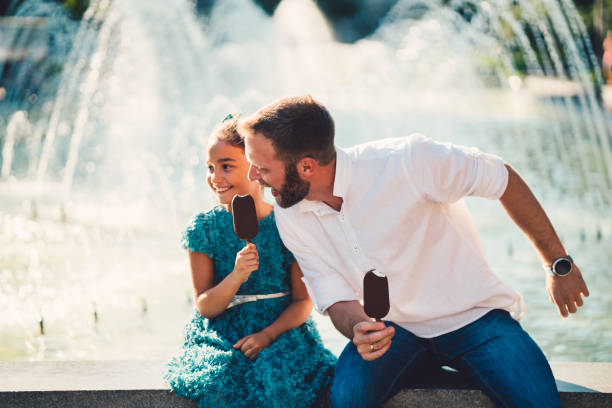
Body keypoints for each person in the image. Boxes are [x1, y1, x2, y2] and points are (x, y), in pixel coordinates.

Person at [239, 95, 590, 408]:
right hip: (394, 331)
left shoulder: (407, 160)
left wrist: (557, 263)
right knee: (346, 397)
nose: (253, 175)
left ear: (306, 167)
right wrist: (360, 328)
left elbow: (502, 179)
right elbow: (332, 293)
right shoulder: (290, 212)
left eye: (263, 167)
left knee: (537, 401)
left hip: (474, 318)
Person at [164, 114, 336, 408]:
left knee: (280, 378)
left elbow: (302, 303)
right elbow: (205, 305)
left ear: (256, 169)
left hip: (280, 329)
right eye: (210, 168)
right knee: (221, 379)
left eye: (226, 167)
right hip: (224, 332)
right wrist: (235, 276)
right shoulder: (204, 229)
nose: (215, 178)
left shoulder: (287, 223)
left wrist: (267, 336)